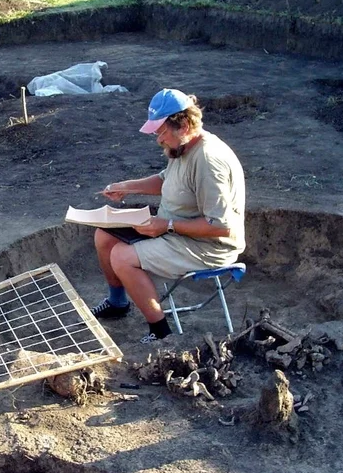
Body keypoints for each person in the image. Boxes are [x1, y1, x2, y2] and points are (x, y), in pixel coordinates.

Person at [92, 88, 246, 343]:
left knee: (121, 256)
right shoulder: (184, 147)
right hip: (174, 229)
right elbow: (167, 180)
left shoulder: (208, 160)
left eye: (161, 132)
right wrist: (126, 186)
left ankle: (160, 331)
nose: (158, 140)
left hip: (207, 246)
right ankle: (117, 303)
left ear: (183, 125)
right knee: (104, 235)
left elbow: (220, 227)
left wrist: (167, 226)